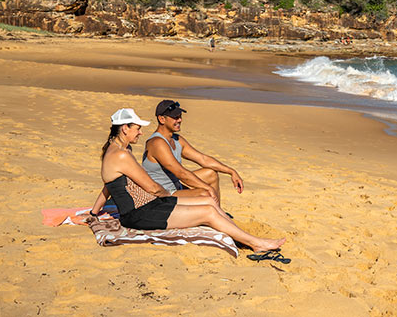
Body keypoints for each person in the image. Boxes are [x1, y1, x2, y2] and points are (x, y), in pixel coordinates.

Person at [90, 108, 284, 252]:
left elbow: (107, 185)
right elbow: (152, 187)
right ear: (125, 128)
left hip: (150, 205)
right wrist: (168, 198)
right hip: (139, 213)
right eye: (137, 128)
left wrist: (94, 211)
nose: (140, 132)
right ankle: (255, 243)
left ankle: (240, 236)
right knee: (207, 212)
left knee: (209, 201)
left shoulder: (120, 150)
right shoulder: (121, 156)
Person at [141, 100, 243, 207]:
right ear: (162, 119)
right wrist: (208, 188)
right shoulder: (157, 143)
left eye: (180, 116)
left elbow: (203, 159)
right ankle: (216, 216)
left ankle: (217, 213)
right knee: (205, 193)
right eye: (175, 117)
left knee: (211, 174)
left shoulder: (177, 139)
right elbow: (181, 174)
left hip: (176, 186)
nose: (179, 120)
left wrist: (231, 172)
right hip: (163, 194)